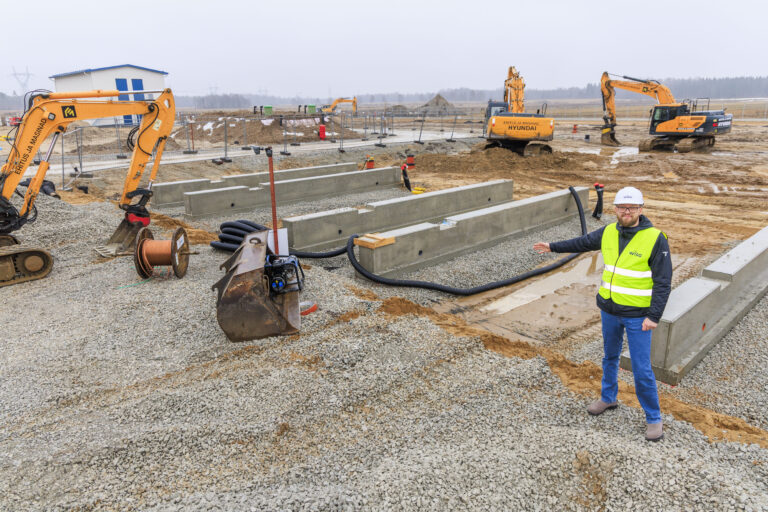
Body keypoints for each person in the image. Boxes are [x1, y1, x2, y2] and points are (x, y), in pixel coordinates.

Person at [533, 186, 672, 441]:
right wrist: (553, 247)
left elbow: (663, 282)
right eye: (621, 208)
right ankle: (608, 398)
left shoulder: (655, 238)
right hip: (609, 310)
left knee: (641, 369)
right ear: (616, 209)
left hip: (637, 316)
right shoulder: (609, 231)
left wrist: (654, 316)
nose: (626, 212)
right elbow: (583, 242)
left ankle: (653, 418)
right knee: (609, 357)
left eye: (631, 208)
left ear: (640, 209)